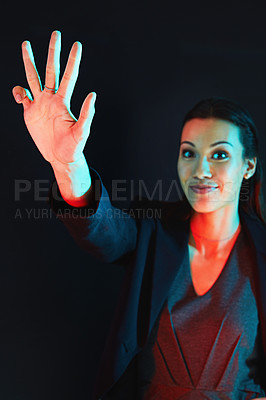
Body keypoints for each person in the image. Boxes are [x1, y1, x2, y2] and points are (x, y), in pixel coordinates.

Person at [12, 30, 266, 400]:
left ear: (248, 166)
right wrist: (68, 166)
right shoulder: (152, 233)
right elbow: (102, 232)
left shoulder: (260, 252)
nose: (202, 170)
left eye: (221, 154)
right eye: (189, 152)